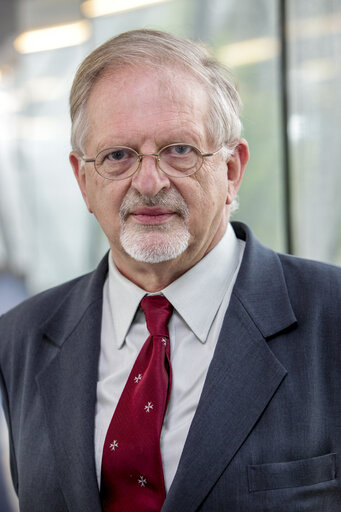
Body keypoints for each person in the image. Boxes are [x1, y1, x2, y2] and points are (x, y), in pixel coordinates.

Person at [0, 29, 340, 512]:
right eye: (118, 156)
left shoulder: (332, 316)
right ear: (82, 180)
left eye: (179, 149)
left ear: (231, 170)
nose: (149, 182)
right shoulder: (21, 339)